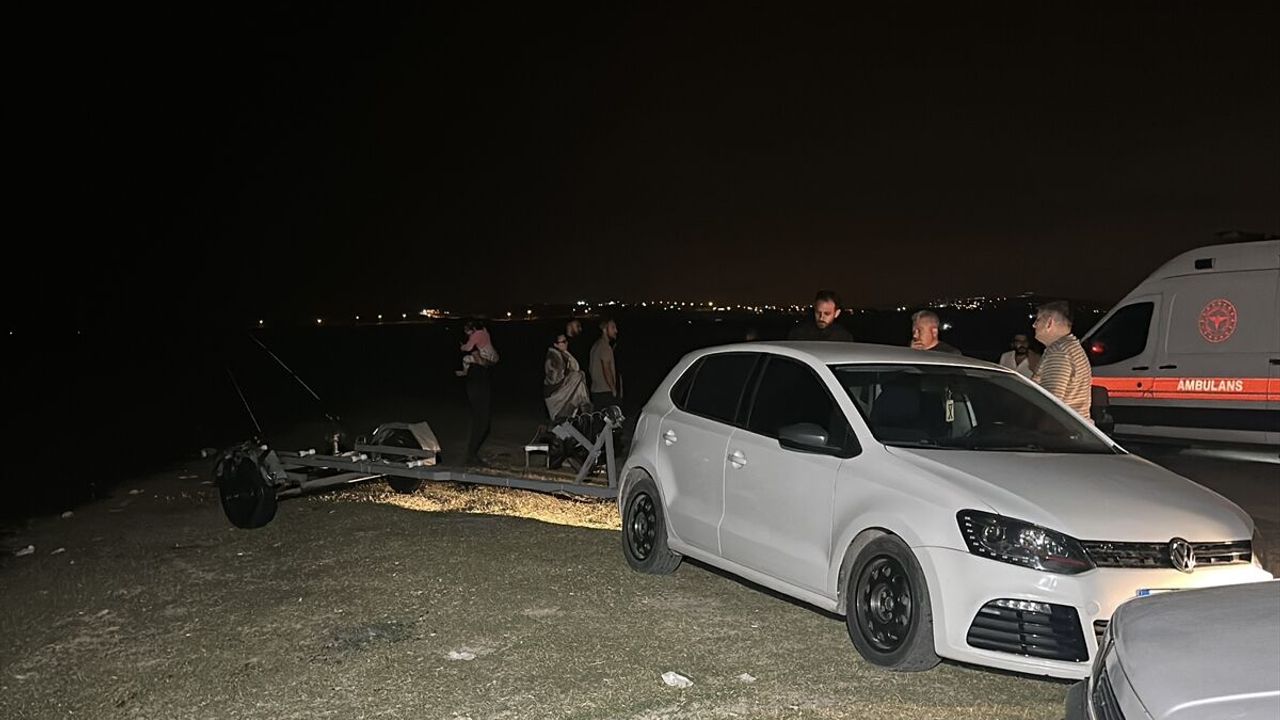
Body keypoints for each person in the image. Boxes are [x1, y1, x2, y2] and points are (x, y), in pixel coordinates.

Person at [1032, 300, 1093, 420]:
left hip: (1061, 427)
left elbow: (1050, 403)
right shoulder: (1070, 347)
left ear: (1049, 323)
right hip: (1074, 425)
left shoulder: (1059, 352)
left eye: (1038, 320)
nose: (1034, 325)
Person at [458, 319, 496, 465]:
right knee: (482, 421)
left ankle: (471, 454)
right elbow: (485, 361)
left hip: (478, 382)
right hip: (477, 383)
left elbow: (486, 359)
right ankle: (471, 455)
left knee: (482, 421)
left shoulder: (476, 340)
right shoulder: (478, 342)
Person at [544, 333, 590, 420]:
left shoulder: (563, 354)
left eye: (566, 341)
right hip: (555, 395)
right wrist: (570, 374)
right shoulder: (553, 358)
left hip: (562, 391)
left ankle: (584, 412)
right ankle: (584, 411)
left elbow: (575, 367)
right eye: (563, 341)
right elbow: (555, 379)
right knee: (577, 376)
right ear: (556, 345)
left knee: (580, 379)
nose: (566, 343)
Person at [788, 289, 854, 341]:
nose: (821, 317)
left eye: (827, 313)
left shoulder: (844, 338)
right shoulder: (798, 334)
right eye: (818, 312)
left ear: (837, 313)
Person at [589, 318, 622, 408]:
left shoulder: (596, 345)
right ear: (604, 329)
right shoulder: (605, 347)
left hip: (596, 390)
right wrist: (613, 389)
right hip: (605, 391)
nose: (616, 331)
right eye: (613, 327)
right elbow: (606, 369)